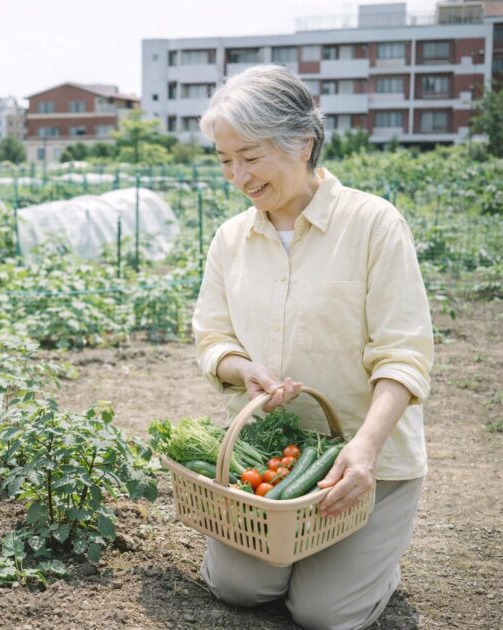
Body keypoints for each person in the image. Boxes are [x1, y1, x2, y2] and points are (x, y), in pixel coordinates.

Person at [190, 65, 433, 630]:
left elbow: (404, 354)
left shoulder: (373, 225)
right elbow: (213, 335)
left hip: (365, 461)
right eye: (225, 159)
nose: (237, 175)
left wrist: (366, 449)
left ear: (302, 142)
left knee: (325, 614)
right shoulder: (231, 239)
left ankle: (374, 564)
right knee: (240, 588)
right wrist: (239, 365)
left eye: (250, 156)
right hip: (272, 467)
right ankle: (310, 559)